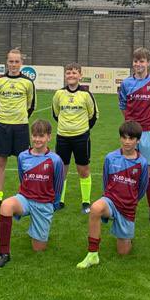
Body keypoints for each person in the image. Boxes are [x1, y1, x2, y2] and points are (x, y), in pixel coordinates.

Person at [0, 119, 65, 268]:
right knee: (6, 205)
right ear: (31, 136)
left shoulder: (55, 160)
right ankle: (4, 253)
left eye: (41, 136)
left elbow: (58, 185)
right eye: (35, 136)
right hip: (25, 198)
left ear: (49, 137)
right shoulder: (23, 156)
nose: (37, 139)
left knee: (38, 249)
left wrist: (54, 205)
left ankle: (38, 227)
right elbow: (22, 177)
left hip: (44, 203)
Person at [76, 121, 148, 269]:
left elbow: (142, 188)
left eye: (131, 138)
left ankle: (127, 238)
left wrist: (131, 201)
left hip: (127, 207)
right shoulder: (110, 158)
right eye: (124, 137)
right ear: (120, 138)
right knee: (95, 208)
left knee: (123, 253)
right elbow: (105, 182)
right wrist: (108, 198)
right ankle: (92, 254)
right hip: (110, 201)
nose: (127, 142)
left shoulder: (142, 163)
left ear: (138, 140)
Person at [118, 47, 150, 224]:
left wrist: (148, 124)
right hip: (129, 132)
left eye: (142, 61)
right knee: (128, 168)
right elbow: (123, 105)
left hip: (148, 132)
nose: (138, 64)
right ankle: (126, 205)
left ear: (148, 63)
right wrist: (131, 124)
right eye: (136, 61)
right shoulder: (126, 84)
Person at [0, 48, 36, 210]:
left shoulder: (28, 83)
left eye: (17, 61)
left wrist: (20, 118)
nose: (14, 64)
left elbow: (31, 105)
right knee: (1, 161)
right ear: (6, 62)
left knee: (23, 162)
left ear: (21, 63)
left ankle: (24, 195)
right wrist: (6, 117)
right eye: (11, 61)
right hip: (2, 125)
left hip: (21, 127)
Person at [52, 63, 98, 213]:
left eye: (74, 73)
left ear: (80, 75)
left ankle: (86, 202)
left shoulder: (86, 94)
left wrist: (82, 129)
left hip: (81, 138)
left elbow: (93, 116)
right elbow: (56, 114)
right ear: (65, 75)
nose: (71, 75)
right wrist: (66, 127)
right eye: (68, 73)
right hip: (62, 137)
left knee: (83, 169)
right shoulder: (59, 94)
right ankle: (60, 200)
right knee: (62, 170)